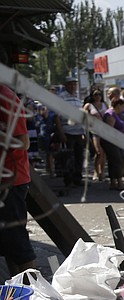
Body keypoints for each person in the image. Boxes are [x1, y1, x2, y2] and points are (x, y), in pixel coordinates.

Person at [0, 48, 37, 276]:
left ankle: (35, 298)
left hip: (11, 183)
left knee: (18, 245)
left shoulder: (4, 96)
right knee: (8, 245)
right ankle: (15, 292)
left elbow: (23, 142)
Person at [55, 76, 86, 187]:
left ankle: (78, 178)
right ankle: (68, 179)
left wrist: (84, 132)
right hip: (68, 131)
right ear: (66, 86)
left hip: (78, 132)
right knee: (68, 157)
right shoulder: (61, 98)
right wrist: (61, 132)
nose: (73, 86)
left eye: (74, 84)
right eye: (71, 84)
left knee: (79, 157)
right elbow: (57, 117)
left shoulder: (78, 99)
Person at [102, 98, 124, 190]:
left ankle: (113, 183)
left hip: (115, 141)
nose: (123, 109)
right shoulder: (110, 114)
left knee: (112, 161)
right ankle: (120, 183)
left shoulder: (114, 114)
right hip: (111, 141)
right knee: (117, 160)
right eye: (122, 106)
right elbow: (110, 130)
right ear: (118, 105)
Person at [83, 90, 106, 182]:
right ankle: (96, 172)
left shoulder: (104, 104)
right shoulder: (88, 105)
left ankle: (102, 172)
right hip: (93, 131)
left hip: (104, 130)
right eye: (95, 94)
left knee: (104, 152)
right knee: (98, 151)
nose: (98, 96)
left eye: (99, 94)